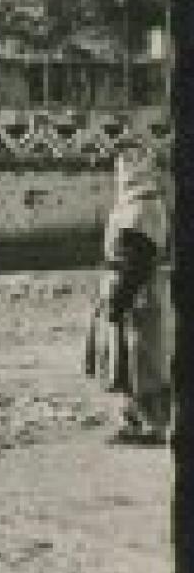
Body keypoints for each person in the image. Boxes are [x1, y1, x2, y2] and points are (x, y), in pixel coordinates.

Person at [85, 144, 174, 444]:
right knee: (126, 358)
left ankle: (153, 425)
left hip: (139, 295)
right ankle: (135, 420)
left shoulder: (141, 208)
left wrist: (119, 300)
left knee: (143, 360)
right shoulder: (139, 204)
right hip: (134, 292)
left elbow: (136, 262)